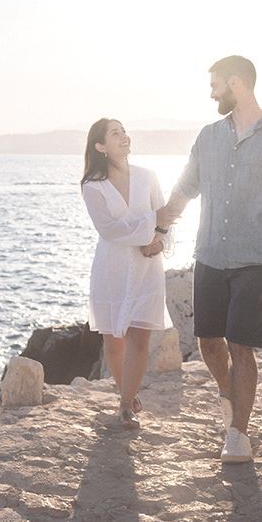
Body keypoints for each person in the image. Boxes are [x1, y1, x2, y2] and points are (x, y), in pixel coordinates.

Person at [155, 56, 262, 464]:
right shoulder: (208, 137)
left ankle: (238, 433)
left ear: (236, 83)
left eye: (216, 85)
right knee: (208, 342)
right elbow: (185, 189)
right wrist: (158, 228)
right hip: (210, 255)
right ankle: (228, 392)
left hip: (256, 260)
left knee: (242, 347)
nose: (211, 93)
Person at [79, 118, 174, 430]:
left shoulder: (148, 177)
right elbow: (109, 230)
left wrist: (158, 243)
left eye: (124, 131)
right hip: (112, 269)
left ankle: (125, 406)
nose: (124, 136)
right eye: (115, 133)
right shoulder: (93, 186)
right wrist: (150, 230)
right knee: (114, 343)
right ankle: (126, 394)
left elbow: (166, 218)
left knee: (139, 338)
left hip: (148, 268)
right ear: (100, 146)